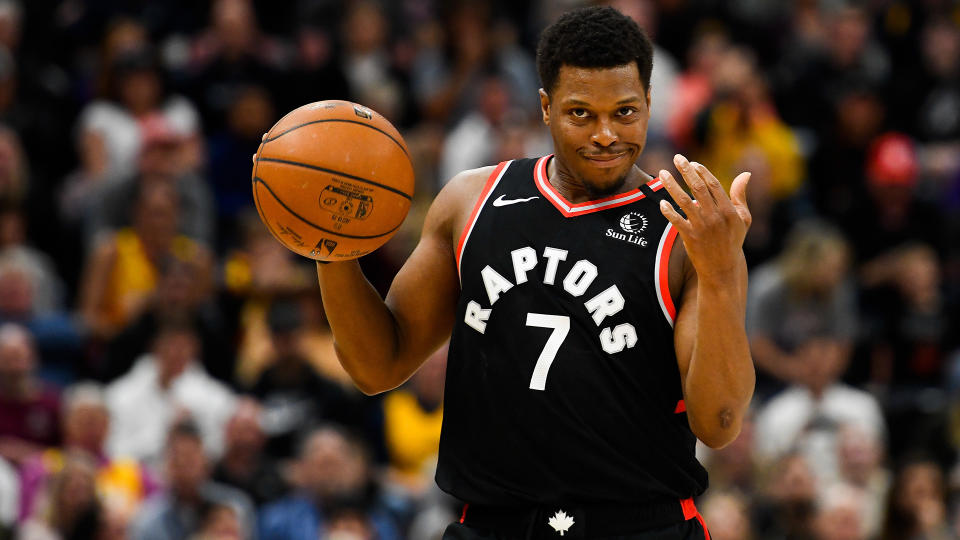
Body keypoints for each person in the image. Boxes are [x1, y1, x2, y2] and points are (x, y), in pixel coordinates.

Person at [315, 6, 754, 539]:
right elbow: (376, 366)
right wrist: (331, 249)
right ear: (545, 108)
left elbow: (720, 422)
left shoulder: (689, 232)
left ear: (649, 105)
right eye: (581, 114)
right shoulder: (470, 203)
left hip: (639, 525)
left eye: (625, 112)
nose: (605, 135)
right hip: (494, 524)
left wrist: (722, 273)